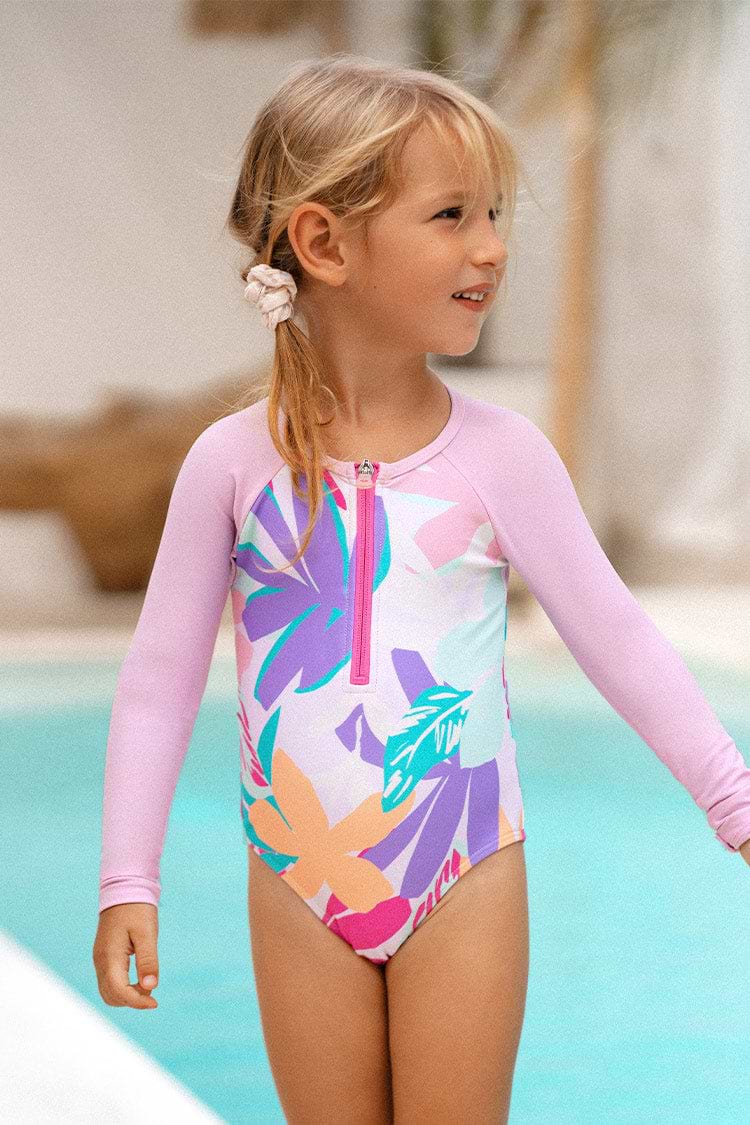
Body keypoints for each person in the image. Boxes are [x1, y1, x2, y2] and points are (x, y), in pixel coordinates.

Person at [92, 54, 750, 1124]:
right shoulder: (231, 463)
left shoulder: (504, 456)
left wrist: (735, 801)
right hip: (299, 876)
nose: (491, 246)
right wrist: (129, 879)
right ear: (324, 244)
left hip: (463, 869)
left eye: (494, 214)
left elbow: (615, 638)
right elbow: (158, 683)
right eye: (451, 215)